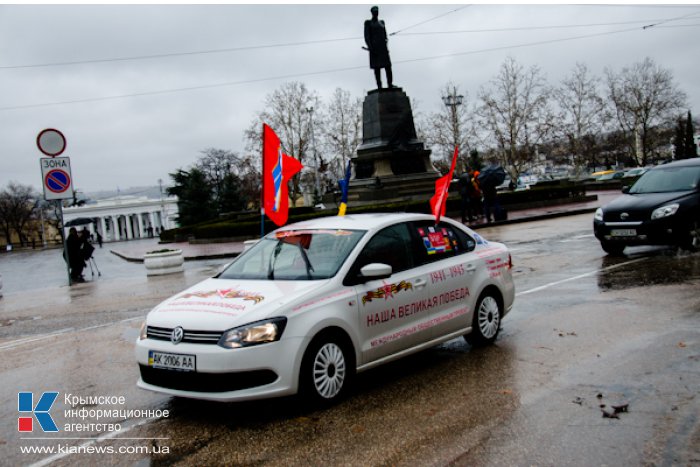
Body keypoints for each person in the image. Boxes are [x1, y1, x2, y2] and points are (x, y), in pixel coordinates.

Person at [364, 6, 393, 89]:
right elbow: (367, 36)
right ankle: (379, 85)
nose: (376, 13)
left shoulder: (382, 22)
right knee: (377, 68)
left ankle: (390, 84)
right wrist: (370, 47)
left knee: (388, 66)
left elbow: (385, 34)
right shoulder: (368, 23)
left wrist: (386, 42)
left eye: (377, 11)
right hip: (374, 48)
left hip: (383, 48)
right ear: (372, 13)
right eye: (374, 11)